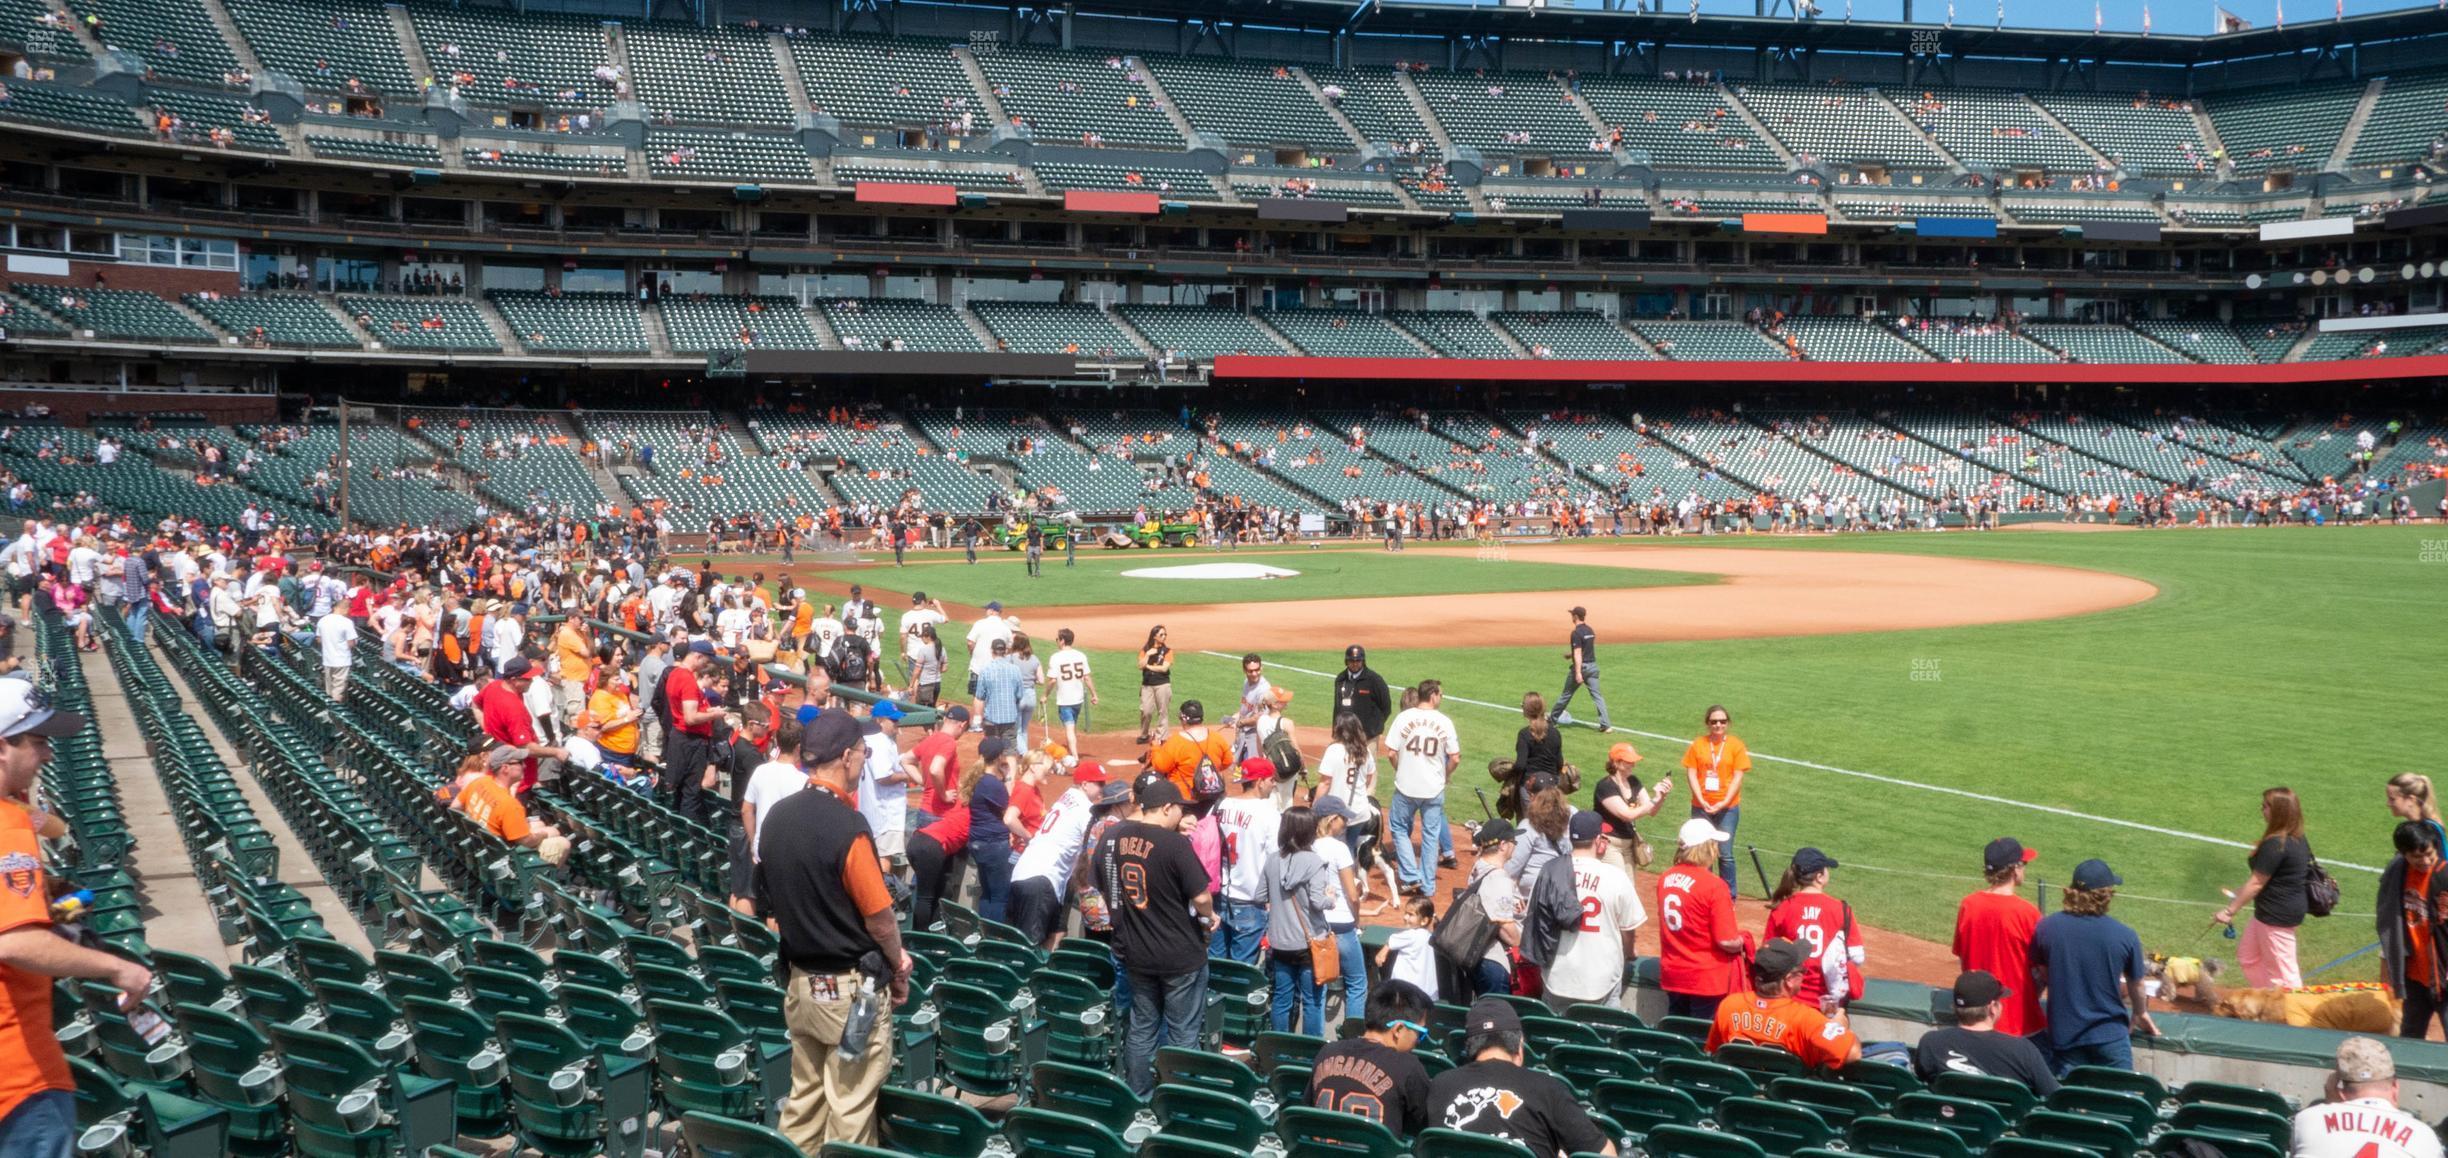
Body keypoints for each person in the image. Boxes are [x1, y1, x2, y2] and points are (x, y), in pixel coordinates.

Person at [0, 679, 153, 1156]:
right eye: (37, 741)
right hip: (17, 1076)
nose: (47, 754)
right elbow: (14, 943)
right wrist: (120, 968)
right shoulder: (6, 826)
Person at [756, 710, 911, 1153]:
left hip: (801, 984)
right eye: (862, 753)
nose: (863, 761)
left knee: (804, 1101)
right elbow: (880, 917)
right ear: (845, 757)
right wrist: (898, 964)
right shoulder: (848, 827)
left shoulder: (778, 818)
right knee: (849, 1106)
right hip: (849, 994)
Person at [1097, 778, 1216, 1097]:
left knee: (1142, 1029)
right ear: (1167, 808)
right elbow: (1202, 898)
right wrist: (1208, 917)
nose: (1182, 813)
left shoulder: (1118, 837)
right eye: (1180, 807)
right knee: (1182, 1035)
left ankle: (1139, 1097)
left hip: (1137, 954)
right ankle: (1177, 1104)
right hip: (1179, 957)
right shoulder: (1174, 844)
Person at [1427, 997, 1617, 1158]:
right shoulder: (1548, 1088)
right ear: (1520, 1046)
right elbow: (1605, 1154)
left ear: (1469, 1048)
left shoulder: (1440, 1084)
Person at [2031, 858, 2156, 1074]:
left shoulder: (2047, 928)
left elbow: (2042, 975)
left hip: (2065, 1034)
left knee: (2068, 1102)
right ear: (2106, 894)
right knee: (2119, 1103)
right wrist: (2140, 1011)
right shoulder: (2125, 935)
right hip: (2110, 1036)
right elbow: (2137, 984)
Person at [1543, 810, 1646, 1014]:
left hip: (1556, 976)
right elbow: (1629, 928)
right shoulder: (1615, 877)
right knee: (1602, 1037)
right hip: (1601, 979)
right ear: (1598, 840)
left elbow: (1538, 922)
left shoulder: (1550, 872)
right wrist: (1629, 951)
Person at [1706, 937, 1862, 1068]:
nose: (1804, 975)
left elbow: (1713, 1052)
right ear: (1789, 980)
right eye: (1802, 971)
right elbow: (1853, 1053)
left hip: (1740, 1098)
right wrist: (1839, 1026)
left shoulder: (1729, 1005)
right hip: (1784, 1101)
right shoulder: (1805, 1018)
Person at [1308, 980, 1434, 1137]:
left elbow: (1308, 1108)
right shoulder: (1408, 1067)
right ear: (1399, 1029)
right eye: (1420, 1034)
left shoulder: (1326, 1052)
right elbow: (1424, 1127)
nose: (1418, 1041)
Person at [2217, 786, 2313, 989]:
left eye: (2266, 806)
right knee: (2248, 957)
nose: (2262, 809)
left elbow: (2257, 883)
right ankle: (2267, 998)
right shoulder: (2296, 837)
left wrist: (2229, 911)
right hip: (2271, 911)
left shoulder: (2277, 843)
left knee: (2285, 976)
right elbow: (2263, 879)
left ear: (2279, 811)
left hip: (2276, 915)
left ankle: (2290, 1015)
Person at [2290, 1037, 2443, 1158]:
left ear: (2338, 1089)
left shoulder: (2307, 1120)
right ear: (2395, 1087)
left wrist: (2331, 1103)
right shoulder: (2423, 1135)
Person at [1955, 837, 2045, 1038]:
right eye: (2024, 864)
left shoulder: (1968, 905)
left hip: (1975, 1018)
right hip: (2019, 1021)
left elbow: (1963, 957)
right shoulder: (2027, 913)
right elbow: (2042, 970)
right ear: (2014, 869)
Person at [1912, 971, 2059, 1094]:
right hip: (2003, 1127)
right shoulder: (2023, 1050)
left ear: (1955, 1007)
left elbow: (1922, 1082)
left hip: (1948, 1124)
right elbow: (2052, 1096)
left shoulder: (1931, 1043)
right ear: (1992, 1008)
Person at [1009, 761, 1105, 947]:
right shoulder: (1085, 810)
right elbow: (1093, 849)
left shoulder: (1067, 796)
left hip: (1028, 874)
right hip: (1041, 880)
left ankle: (1046, 971)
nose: (1103, 788)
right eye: (1099, 783)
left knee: (1057, 931)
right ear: (1084, 784)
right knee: (1029, 947)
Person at [1657, 816, 1743, 1019]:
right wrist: (1742, 942)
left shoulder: (1665, 878)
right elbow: (1727, 940)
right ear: (1706, 848)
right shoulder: (1714, 885)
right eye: (1713, 844)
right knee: (1701, 1041)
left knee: (1676, 1035)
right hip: (1705, 979)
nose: (1716, 848)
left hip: (1673, 973)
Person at [1265, 805, 1339, 1035]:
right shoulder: (1314, 862)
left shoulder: (1272, 860)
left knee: (1281, 999)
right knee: (1313, 1002)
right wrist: (1331, 899)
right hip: (1309, 944)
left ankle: (1276, 1051)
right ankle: (1310, 1056)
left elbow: (1259, 896)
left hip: (1279, 942)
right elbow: (1318, 902)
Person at [1765, 847, 1866, 1013]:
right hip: (1827, 1003)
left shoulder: (1782, 909)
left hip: (1789, 1001)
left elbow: (1770, 956)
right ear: (1819, 876)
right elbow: (1857, 957)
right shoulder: (1841, 909)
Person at [1384, 680, 1460, 898]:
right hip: (1433, 788)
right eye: (1441, 695)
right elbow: (1455, 757)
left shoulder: (1403, 717)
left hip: (1406, 786)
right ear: (1433, 695)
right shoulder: (1444, 721)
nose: (1441, 698)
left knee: (1398, 828)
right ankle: (1427, 885)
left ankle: (1410, 876)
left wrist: (1400, 770)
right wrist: (1445, 775)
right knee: (1430, 836)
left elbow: (1390, 752)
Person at [2376, 820, 2446, 1040]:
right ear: (2402, 854)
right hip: (2415, 976)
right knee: (2409, 1036)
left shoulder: (2444, 877)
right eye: (2416, 857)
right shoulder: (2397, 874)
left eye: (2429, 854)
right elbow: (2388, 921)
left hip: (2443, 975)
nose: (2424, 861)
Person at [1212, 756, 1281, 963]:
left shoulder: (1221, 805)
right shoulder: (1269, 814)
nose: (1274, 784)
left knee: (1215, 964)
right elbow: (1275, 861)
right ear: (1259, 782)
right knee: (1241, 969)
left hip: (1217, 897)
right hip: (1250, 902)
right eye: (1271, 780)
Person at [1681, 705, 1749, 895]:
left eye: (1722, 721)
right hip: (1701, 807)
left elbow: (1738, 776)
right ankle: (1704, 894)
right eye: (1714, 722)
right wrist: (1701, 799)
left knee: (1725, 855)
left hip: (1727, 809)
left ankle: (1729, 897)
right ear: (1707, 724)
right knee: (1702, 853)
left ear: (1727, 723)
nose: (1718, 725)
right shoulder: (1698, 744)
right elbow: (1691, 772)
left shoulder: (1736, 745)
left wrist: (1724, 801)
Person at [1312, 794, 1368, 1021]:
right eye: (1342, 819)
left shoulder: (1307, 845)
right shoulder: (1339, 848)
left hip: (1315, 922)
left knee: (1319, 982)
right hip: (1342, 924)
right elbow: (1352, 895)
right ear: (1331, 819)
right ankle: (1353, 1038)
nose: (1345, 823)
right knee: (1357, 982)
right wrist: (1357, 920)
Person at [479, 656, 566, 794]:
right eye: (527, 679)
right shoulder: (513, 707)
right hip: (514, 779)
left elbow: (475, 704)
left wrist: (487, 729)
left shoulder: (494, 686)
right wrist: (556, 751)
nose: (531, 681)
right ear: (514, 680)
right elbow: (526, 748)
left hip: (500, 768)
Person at [458, 745, 566, 851]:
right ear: (505, 768)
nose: (524, 766)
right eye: (520, 762)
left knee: (539, 824)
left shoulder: (480, 781)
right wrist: (545, 833)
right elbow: (526, 841)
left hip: (481, 844)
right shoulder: (509, 805)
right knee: (561, 841)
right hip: (504, 854)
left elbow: (455, 807)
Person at [1592, 742, 1667, 875]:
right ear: (1616, 763)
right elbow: (1627, 815)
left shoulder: (1633, 781)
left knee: (1629, 888)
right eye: (1629, 761)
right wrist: (1654, 800)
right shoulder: (1605, 786)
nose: (1633, 764)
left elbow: (1651, 811)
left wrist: (1661, 797)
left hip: (1628, 844)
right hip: (1610, 844)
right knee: (1618, 885)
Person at [966, 737, 1020, 923]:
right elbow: (1009, 810)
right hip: (993, 845)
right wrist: (1009, 777)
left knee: (987, 893)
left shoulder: (978, 779)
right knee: (999, 896)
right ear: (998, 757)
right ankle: (994, 938)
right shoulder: (992, 784)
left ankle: (983, 933)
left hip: (978, 842)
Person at [1146, 699, 1232, 800]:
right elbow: (1228, 761)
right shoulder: (1217, 738)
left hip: (1185, 799)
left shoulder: (1176, 741)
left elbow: (1161, 766)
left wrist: (1155, 747)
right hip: (1213, 796)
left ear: (1184, 719)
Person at [1547, 606, 1610, 732]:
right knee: (1597, 696)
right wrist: (1570, 654)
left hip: (1582, 667)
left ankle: (1551, 721)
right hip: (1593, 666)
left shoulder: (1576, 633)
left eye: (1572, 615)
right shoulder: (1590, 630)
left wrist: (1578, 672)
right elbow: (1586, 649)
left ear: (1575, 616)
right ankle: (1606, 725)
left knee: (1566, 695)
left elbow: (1578, 653)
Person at [1377, 895, 1440, 1000]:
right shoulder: (1428, 935)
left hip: (1406, 993)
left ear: (1424, 921)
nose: (1405, 917)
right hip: (1427, 993)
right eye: (1405, 913)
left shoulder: (1411, 935)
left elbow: (1392, 940)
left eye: (1411, 915)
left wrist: (1382, 953)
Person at [1046, 628, 1097, 755]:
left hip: (1064, 700)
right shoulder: (1081, 655)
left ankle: (1075, 756)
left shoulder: (1055, 657)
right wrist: (1094, 694)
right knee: (1072, 726)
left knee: (1069, 728)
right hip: (1078, 699)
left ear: (1062, 641)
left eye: (1057, 639)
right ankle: (1072, 749)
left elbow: (1052, 681)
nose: (1057, 641)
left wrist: (1044, 695)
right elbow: (1087, 677)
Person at [1333, 644, 1392, 741]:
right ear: (1346, 661)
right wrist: (1335, 729)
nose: (1355, 663)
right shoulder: (1341, 679)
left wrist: (1373, 729)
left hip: (1367, 737)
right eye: (1351, 660)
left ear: (1363, 661)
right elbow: (1337, 707)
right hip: (1345, 735)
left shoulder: (1374, 680)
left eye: (1358, 660)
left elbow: (1386, 707)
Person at [973, 637, 1028, 742]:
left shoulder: (985, 669)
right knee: (1009, 752)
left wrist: (978, 720)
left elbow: (980, 697)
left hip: (991, 719)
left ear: (991, 651)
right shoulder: (1015, 669)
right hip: (1010, 718)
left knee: (991, 751)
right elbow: (1020, 695)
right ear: (1005, 651)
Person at [1514, 693, 1561, 804]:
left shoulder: (1524, 734)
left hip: (1530, 785)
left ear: (1526, 710)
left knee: (1530, 820)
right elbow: (1559, 762)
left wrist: (1510, 770)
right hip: (1551, 785)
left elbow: (1520, 765)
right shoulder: (1555, 733)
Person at [2385, 773, 2445, 852]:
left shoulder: (2429, 829)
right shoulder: (2411, 826)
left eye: (2392, 799)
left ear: (2410, 799)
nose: (2388, 804)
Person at [1136, 625, 1173, 744]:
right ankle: (1144, 734)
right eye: (1161, 634)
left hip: (1162, 684)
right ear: (1154, 636)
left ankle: (1162, 737)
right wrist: (1148, 655)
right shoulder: (1145, 649)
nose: (1164, 637)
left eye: (1165, 634)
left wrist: (1149, 667)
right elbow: (1140, 666)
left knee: (1163, 711)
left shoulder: (1167, 651)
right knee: (1146, 711)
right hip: (1147, 685)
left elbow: (1164, 668)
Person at [315, 603, 358, 701]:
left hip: (327, 659)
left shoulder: (323, 620)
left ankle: (330, 707)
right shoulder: (346, 622)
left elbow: (318, 639)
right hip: (342, 660)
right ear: (346, 609)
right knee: (339, 689)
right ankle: (336, 712)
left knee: (329, 688)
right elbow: (351, 643)